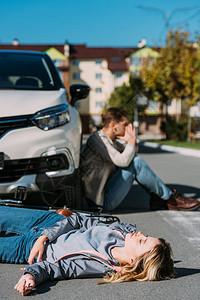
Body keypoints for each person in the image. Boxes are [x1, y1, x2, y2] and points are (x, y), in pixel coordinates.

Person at [0, 206, 174, 296]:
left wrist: (31, 275)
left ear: (132, 261)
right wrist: (43, 237)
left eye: (142, 241)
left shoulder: (99, 265)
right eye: (146, 235)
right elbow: (77, 219)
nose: (140, 234)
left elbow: (57, 268)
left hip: (27, 250)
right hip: (48, 222)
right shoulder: (119, 231)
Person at [81, 107, 200, 211]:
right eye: (125, 124)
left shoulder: (110, 141)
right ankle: (169, 198)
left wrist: (132, 141)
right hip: (98, 203)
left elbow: (132, 152)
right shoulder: (98, 140)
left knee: (135, 160)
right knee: (135, 163)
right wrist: (131, 140)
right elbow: (123, 161)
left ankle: (161, 198)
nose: (128, 127)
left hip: (101, 196)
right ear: (113, 125)